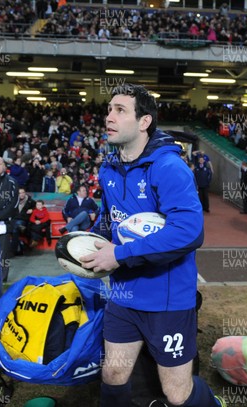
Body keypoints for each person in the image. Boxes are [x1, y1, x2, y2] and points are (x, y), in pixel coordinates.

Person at [78, 84, 224, 407]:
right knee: (113, 374)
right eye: (108, 109)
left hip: (168, 301)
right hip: (124, 296)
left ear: (144, 122)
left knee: (176, 392)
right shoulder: (109, 168)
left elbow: (188, 231)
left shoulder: (170, 168)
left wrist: (119, 254)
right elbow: (110, 221)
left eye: (120, 110)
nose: (108, 117)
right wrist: (85, 242)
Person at [11, 187, 36, 255]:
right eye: (19, 193)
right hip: (14, 219)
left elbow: (38, 207)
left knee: (15, 229)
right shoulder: (13, 201)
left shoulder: (30, 201)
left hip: (23, 219)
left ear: (25, 193)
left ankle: (13, 251)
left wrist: (32, 210)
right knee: (15, 228)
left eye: (23, 192)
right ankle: (15, 249)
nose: (21, 194)